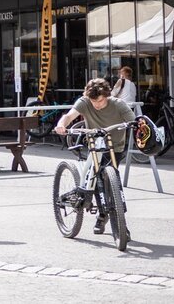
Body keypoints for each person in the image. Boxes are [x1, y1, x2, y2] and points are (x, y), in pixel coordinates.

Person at [54, 78, 137, 235]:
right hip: (95, 145)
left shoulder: (118, 104)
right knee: (99, 179)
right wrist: (61, 124)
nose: (96, 105)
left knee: (110, 181)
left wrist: (137, 126)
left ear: (107, 95)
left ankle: (117, 222)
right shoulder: (85, 102)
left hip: (115, 147)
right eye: (93, 101)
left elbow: (134, 121)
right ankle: (103, 215)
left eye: (100, 101)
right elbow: (69, 116)